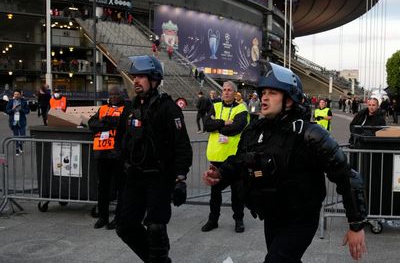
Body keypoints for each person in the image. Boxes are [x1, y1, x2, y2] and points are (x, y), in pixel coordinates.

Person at [203, 62, 367, 262]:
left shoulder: (311, 134)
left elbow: (347, 177)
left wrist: (356, 224)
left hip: (301, 218)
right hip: (272, 214)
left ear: (289, 100)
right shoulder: (255, 130)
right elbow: (239, 161)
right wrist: (220, 174)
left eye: (272, 93)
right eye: (263, 92)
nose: (264, 97)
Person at [114, 55, 193, 263]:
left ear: (154, 80)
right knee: (124, 226)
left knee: (156, 227)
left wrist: (180, 178)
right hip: (133, 178)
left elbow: (182, 145)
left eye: (142, 76)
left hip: (159, 179)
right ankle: (155, 259)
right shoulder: (130, 109)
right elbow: (121, 142)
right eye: (135, 77)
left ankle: (159, 259)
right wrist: (118, 173)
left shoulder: (168, 109)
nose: (136, 81)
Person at [201, 80, 249, 233]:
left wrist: (218, 127)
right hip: (216, 156)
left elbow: (236, 128)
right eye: (224, 89)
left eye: (229, 90)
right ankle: (213, 220)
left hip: (233, 157)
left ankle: (239, 220)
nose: (226, 92)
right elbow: (207, 124)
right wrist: (223, 122)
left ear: (235, 93)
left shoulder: (241, 108)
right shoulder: (214, 106)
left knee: (237, 191)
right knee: (215, 192)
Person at [88, 86, 125, 230]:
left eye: (116, 94)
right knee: (102, 187)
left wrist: (107, 123)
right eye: (111, 94)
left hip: (117, 154)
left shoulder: (126, 109)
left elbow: (123, 126)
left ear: (121, 95)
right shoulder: (102, 108)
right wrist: (106, 123)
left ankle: (117, 218)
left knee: (118, 187)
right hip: (102, 153)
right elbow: (92, 124)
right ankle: (103, 217)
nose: (113, 96)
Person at [5, 89, 30, 156]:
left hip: (21, 121)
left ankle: (20, 144)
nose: (16, 95)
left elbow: (27, 111)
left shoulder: (24, 102)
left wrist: (21, 109)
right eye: (15, 94)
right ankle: (17, 149)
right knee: (15, 135)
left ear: (20, 95)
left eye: (17, 94)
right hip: (14, 121)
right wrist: (12, 109)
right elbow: (7, 111)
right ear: (13, 95)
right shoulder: (10, 101)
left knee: (22, 135)